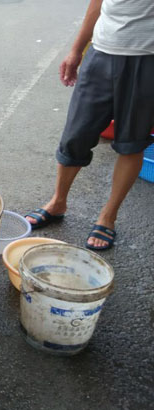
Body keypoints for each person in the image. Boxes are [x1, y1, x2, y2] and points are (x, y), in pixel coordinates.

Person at [25, 0, 154, 250]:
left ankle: (108, 216)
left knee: (132, 143)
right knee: (75, 135)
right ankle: (58, 202)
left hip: (147, 59)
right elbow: (97, 3)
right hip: (101, 52)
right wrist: (76, 49)